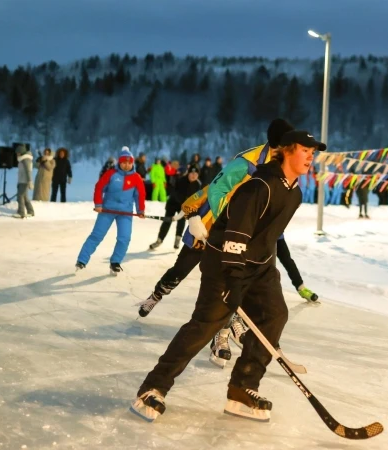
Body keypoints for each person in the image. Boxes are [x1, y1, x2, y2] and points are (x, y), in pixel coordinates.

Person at [130, 130, 325, 423]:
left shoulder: (294, 191)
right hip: (224, 262)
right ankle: (153, 387)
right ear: (286, 151)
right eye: (305, 150)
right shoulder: (259, 186)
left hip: (259, 266)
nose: (311, 156)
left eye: (314, 152)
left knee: (275, 315)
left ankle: (242, 389)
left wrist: (266, 271)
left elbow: (267, 236)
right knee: (206, 326)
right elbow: (236, 236)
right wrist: (234, 281)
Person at [75, 147, 145, 274]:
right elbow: (99, 187)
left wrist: (140, 210)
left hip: (126, 213)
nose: (127, 165)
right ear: (120, 162)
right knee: (97, 235)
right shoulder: (111, 174)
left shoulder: (136, 178)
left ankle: (115, 262)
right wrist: (98, 204)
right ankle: (82, 260)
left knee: (124, 238)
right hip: (107, 210)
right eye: (124, 162)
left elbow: (139, 195)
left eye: (130, 163)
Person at [149, 165, 201, 250]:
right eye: (191, 173)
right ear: (188, 173)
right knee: (167, 222)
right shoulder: (181, 181)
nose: (193, 175)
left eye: (196, 173)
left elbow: (196, 199)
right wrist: (177, 214)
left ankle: (177, 239)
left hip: (184, 206)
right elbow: (176, 195)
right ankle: (159, 240)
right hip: (173, 204)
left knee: (181, 222)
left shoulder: (197, 185)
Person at [15, 145, 34, 218]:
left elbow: (28, 171)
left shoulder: (25, 160)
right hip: (22, 180)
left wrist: (29, 181)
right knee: (25, 197)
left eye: (18, 152)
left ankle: (21, 212)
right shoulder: (23, 160)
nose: (17, 154)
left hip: (24, 181)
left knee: (20, 196)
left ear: (21, 152)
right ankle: (31, 211)